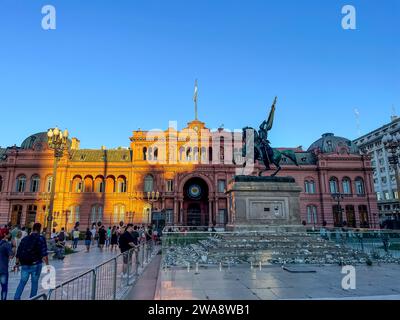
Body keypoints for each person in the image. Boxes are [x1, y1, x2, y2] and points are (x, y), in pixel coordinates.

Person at [14, 223, 49, 300]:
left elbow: (18, 252)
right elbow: (44, 253)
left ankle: (16, 298)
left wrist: (17, 263)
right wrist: (47, 265)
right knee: (34, 283)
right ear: (39, 229)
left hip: (25, 265)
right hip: (36, 264)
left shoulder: (25, 238)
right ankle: (32, 298)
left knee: (22, 282)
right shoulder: (41, 238)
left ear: (33, 229)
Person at [0, 232, 13, 300]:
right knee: (4, 287)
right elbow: (11, 256)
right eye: (9, 234)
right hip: (3, 269)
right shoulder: (7, 244)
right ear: (5, 235)